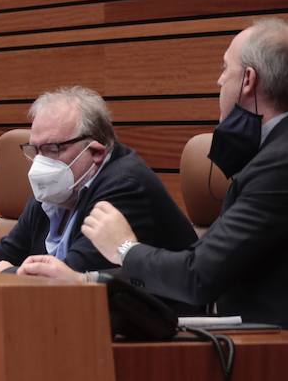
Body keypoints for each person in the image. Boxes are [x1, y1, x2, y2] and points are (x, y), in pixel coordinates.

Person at [78, 18, 288, 325]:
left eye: (224, 68)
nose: (219, 81)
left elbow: (197, 276)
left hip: (266, 357)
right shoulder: (270, 154)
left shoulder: (278, 164)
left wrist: (124, 248)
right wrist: (84, 279)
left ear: (247, 80)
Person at [0, 86, 196, 277]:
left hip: (162, 318)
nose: (40, 163)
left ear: (95, 151)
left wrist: (8, 273)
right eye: (35, 150)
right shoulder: (52, 193)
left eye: (53, 148)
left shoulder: (125, 187)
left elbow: (68, 279)